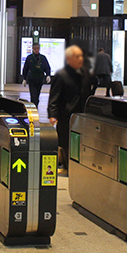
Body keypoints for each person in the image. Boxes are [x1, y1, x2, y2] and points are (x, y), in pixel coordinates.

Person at [48, 45, 94, 174]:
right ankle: (69, 166)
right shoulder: (61, 75)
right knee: (66, 141)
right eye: (77, 56)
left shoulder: (84, 74)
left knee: (79, 140)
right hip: (66, 114)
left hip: (82, 114)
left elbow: (90, 89)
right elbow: (54, 95)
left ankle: (76, 165)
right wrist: (53, 114)